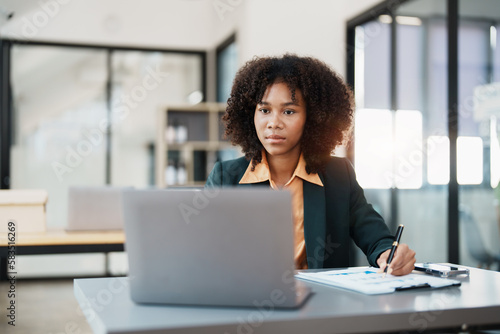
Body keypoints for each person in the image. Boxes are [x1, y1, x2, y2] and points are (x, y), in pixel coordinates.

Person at [206, 54, 416, 275]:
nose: (274, 123)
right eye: (264, 110)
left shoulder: (338, 175)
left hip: (322, 304)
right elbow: (203, 247)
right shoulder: (225, 177)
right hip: (248, 300)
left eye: (289, 111)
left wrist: (388, 254)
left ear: (313, 117)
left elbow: (374, 236)